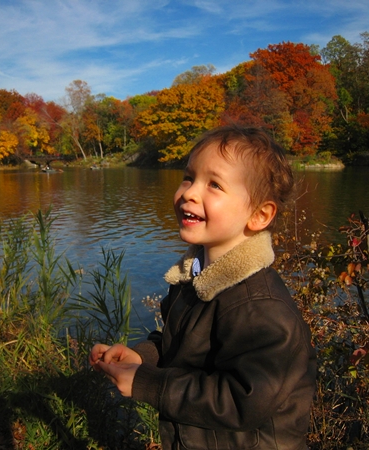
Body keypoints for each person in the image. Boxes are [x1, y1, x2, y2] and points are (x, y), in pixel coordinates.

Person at [90, 125, 316, 449]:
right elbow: (178, 342)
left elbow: (242, 400)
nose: (189, 193)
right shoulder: (195, 277)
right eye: (188, 177)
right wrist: (141, 359)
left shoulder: (260, 307)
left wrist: (149, 385)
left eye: (214, 184)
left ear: (259, 214)